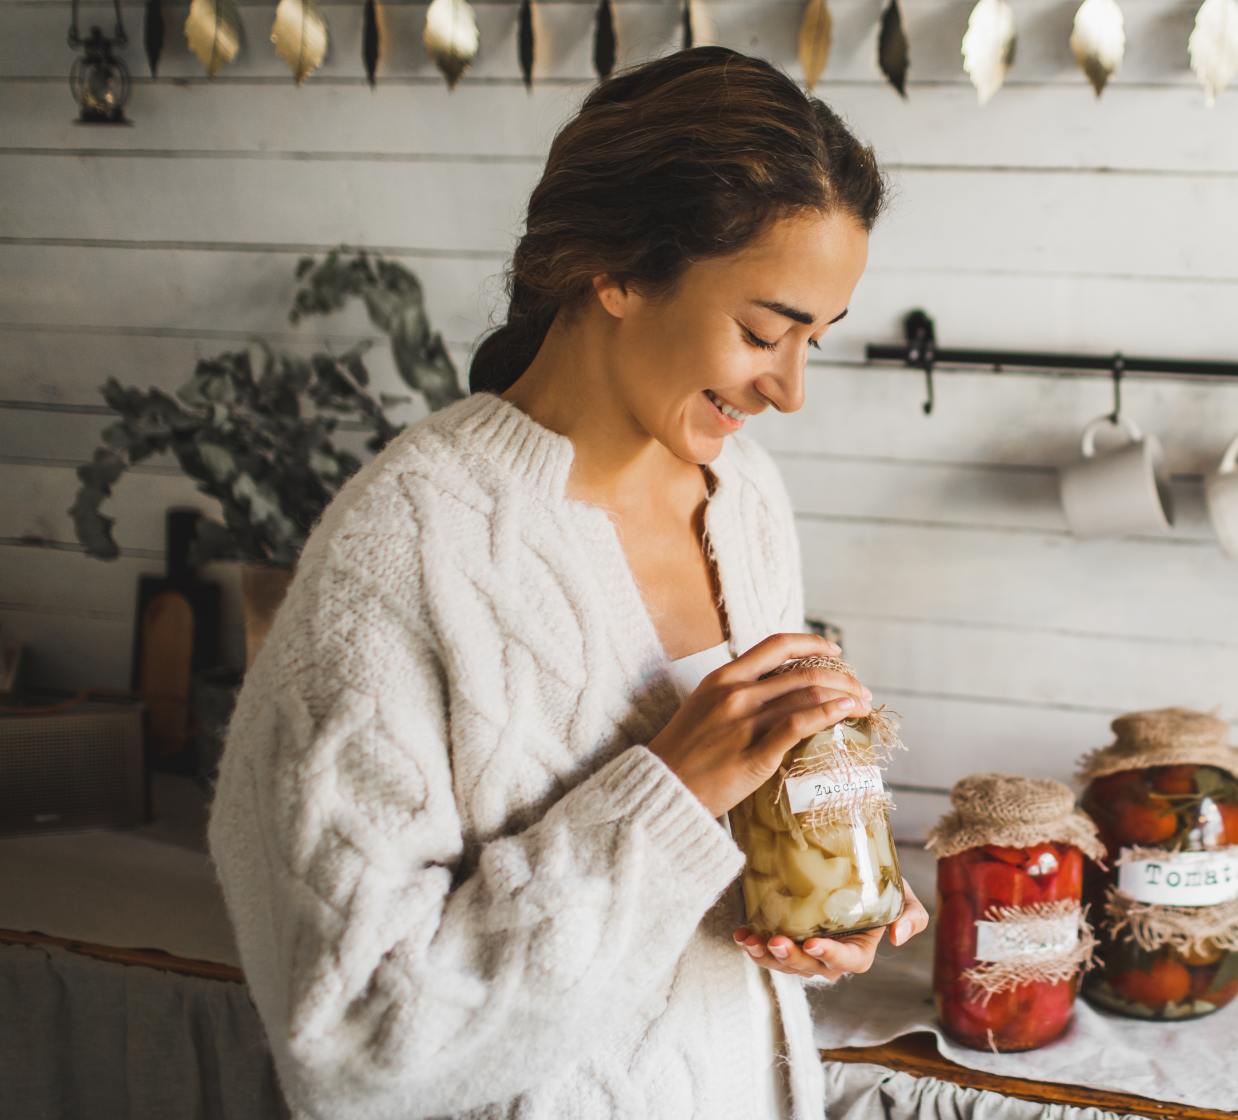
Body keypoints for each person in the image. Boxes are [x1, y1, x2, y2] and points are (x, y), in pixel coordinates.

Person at [208, 47, 927, 1120]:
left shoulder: (747, 501)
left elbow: (704, 876)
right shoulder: (406, 544)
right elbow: (351, 1037)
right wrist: (668, 793)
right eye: (762, 332)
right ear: (618, 270)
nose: (790, 388)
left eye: (815, 340)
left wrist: (820, 884)